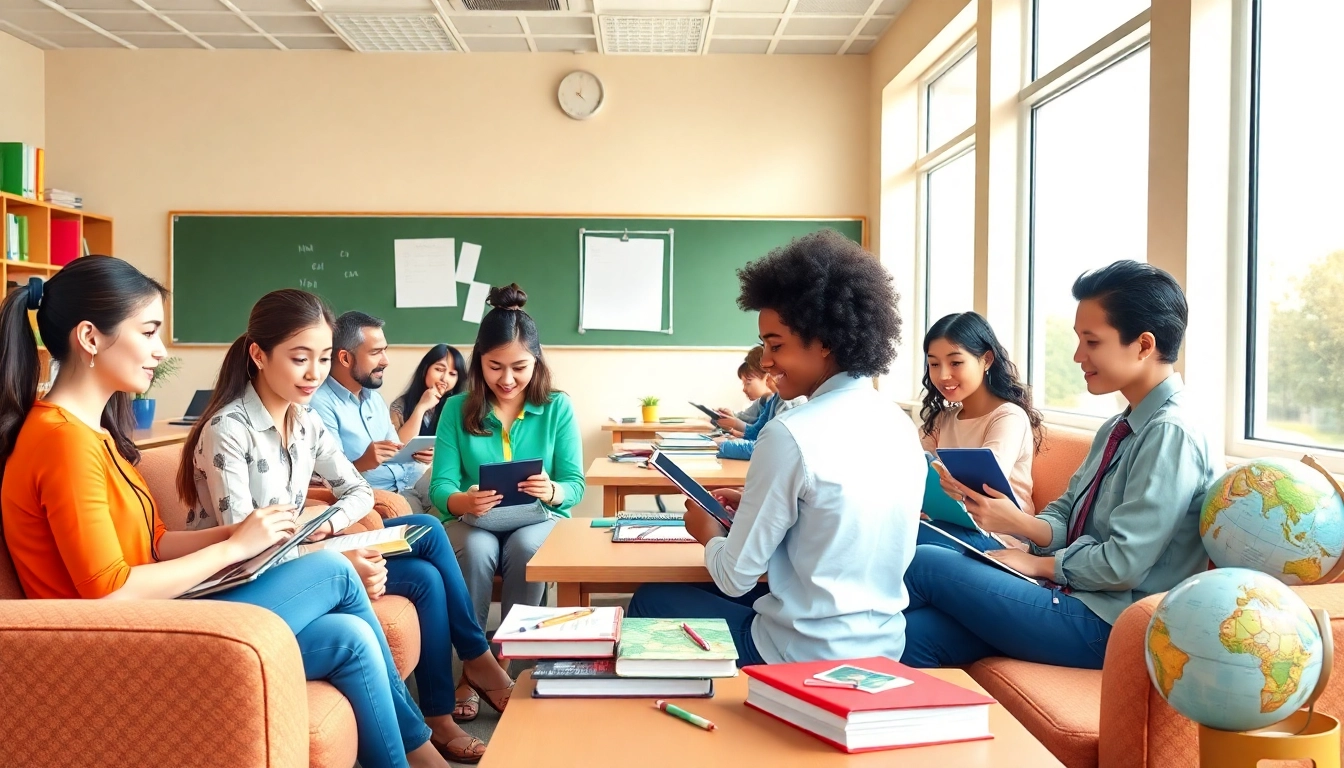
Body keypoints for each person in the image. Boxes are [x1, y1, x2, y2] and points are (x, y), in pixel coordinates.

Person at [0, 260, 449, 768]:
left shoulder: (91, 434)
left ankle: (418, 758)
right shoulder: (62, 443)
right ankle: (426, 752)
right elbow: (109, 592)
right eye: (148, 332)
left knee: (350, 638)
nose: (160, 351)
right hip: (107, 644)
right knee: (333, 571)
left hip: (145, 619)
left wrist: (239, 533)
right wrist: (233, 547)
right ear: (89, 338)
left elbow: (155, 544)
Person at [177, 289, 516, 762]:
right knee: (354, 570)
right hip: (244, 581)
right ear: (258, 355)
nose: (314, 373)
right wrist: (329, 549)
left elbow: (357, 490)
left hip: (294, 558)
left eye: (321, 359)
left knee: (424, 547)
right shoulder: (229, 430)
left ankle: (444, 709)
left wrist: (324, 525)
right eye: (300, 359)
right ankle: (449, 708)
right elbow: (246, 547)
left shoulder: (304, 421)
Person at [626, 229, 925, 665]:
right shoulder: (899, 424)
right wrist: (759, 503)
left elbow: (734, 578)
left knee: (652, 598)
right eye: (764, 345)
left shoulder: (790, 432)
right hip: (882, 649)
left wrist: (706, 532)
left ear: (825, 341)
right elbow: (838, 518)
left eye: (775, 345)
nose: (765, 362)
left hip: (798, 655)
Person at [901, 260, 1215, 671]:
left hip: (1107, 622)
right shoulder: (1119, 427)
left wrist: (1036, 563)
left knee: (925, 563)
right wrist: (1018, 523)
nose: (1078, 356)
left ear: (1143, 345)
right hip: (1068, 591)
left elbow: (1123, 564)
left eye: (1091, 341)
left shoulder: (1171, 433)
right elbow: (1068, 513)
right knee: (911, 634)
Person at [428, 283, 584, 714]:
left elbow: (575, 484)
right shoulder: (457, 408)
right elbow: (440, 486)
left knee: (527, 547)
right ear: (479, 360)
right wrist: (463, 501)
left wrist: (553, 490)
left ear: (537, 361)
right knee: (477, 550)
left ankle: (502, 660)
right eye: (495, 367)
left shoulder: (557, 407)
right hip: (474, 521)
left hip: (539, 517)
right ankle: (472, 666)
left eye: (520, 367)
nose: (508, 379)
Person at [917, 311, 1044, 550]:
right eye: (934, 364)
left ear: (986, 360)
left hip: (1002, 541)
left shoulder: (1008, 417)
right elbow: (911, 466)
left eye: (955, 363)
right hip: (953, 527)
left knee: (904, 539)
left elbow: (984, 486)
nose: (943, 375)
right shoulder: (942, 419)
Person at [310, 312, 431, 513]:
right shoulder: (319, 403)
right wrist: (364, 462)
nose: (385, 361)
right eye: (375, 352)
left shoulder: (374, 398)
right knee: (434, 522)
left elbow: (394, 449)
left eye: (385, 350)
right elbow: (329, 479)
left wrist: (414, 454)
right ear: (345, 358)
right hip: (380, 497)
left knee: (457, 492)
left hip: (409, 482)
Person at [714, 370, 806, 461]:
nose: (768, 378)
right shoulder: (775, 399)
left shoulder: (791, 402)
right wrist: (734, 424)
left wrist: (722, 445)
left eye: (772, 373)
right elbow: (758, 432)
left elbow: (767, 448)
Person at [390, 344, 467, 440]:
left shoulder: (459, 406)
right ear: (425, 369)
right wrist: (421, 407)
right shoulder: (400, 405)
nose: (444, 378)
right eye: (439, 369)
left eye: (452, 374)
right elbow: (400, 444)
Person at [714, 346, 771, 435]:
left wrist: (733, 428)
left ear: (767, 377)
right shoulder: (762, 401)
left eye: (748, 383)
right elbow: (749, 422)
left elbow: (761, 433)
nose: (744, 389)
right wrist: (731, 417)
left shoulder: (779, 403)